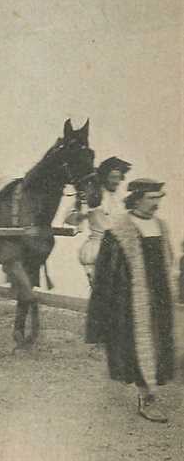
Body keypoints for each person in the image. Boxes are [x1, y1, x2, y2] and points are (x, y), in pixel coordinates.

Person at [86, 178, 176, 423]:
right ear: (137, 199)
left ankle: (150, 390)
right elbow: (105, 273)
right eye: (152, 198)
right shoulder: (119, 229)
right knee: (139, 346)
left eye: (159, 198)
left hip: (159, 297)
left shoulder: (161, 225)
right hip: (130, 299)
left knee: (158, 344)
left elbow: (168, 260)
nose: (156, 204)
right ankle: (147, 398)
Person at [65, 156, 132, 286]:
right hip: (99, 247)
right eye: (112, 177)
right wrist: (83, 209)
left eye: (118, 177)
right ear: (104, 177)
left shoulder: (121, 198)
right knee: (102, 291)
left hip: (120, 248)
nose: (116, 181)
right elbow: (70, 220)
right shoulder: (93, 196)